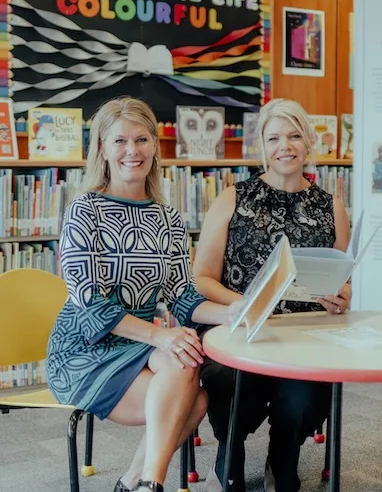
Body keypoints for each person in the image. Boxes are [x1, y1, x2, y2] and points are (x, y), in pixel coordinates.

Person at [46, 97, 236, 492]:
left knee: (189, 376)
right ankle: (148, 483)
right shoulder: (84, 210)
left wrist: (236, 313)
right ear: (102, 149)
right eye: (120, 141)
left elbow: (184, 297)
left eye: (141, 139)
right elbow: (90, 306)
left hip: (139, 343)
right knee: (193, 395)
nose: (132, 151)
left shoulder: (168, 218)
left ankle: (140, 482)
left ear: (154, 146)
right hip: (84, 348)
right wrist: (161, 336)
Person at [192, 98, 352, 492]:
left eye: (295, 136)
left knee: (306, 397)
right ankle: (229, 455)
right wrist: (242, 305)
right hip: (239, 328)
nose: (285, 146)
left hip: (302, 335)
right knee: (227, 381)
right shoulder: (233, 198)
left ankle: (283, 459)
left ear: (308, 141)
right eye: (275, 138)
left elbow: (341, 280)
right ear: (262, 145)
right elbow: (202, 279)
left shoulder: (331, 206)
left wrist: (341, 297)